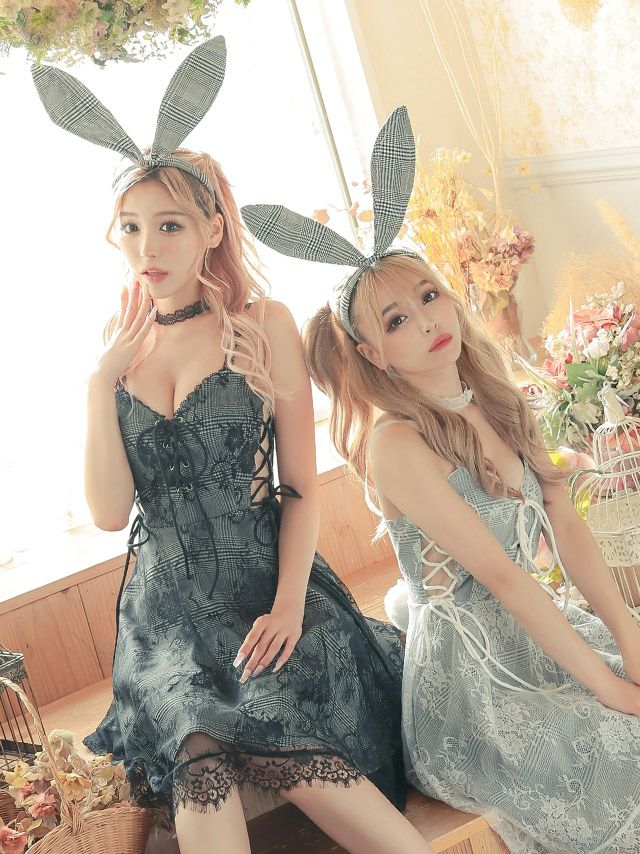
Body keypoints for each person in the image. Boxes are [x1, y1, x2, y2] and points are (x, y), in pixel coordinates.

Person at [32, 42, 432, 854]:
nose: (148, 248)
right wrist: (100, 384)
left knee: (277, 731)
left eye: (169, 226)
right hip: (165, 611)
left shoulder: (262, 325)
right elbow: (110, 513)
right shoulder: (119, 345)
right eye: (131, 228)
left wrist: (288, 605)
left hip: (264, 584)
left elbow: (300, 488)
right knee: (196, 747)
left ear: (212, 229)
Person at [242, 107, 640, 853]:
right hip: (473, 684)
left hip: (542, 634)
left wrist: (628, 638)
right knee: (623, 754)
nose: (426, 321)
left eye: (429, 296)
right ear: (373, 354)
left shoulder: (493, 396)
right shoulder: (396, 444)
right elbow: (505, 580)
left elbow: (566, 520)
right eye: (395, 320)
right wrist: (610, 687)